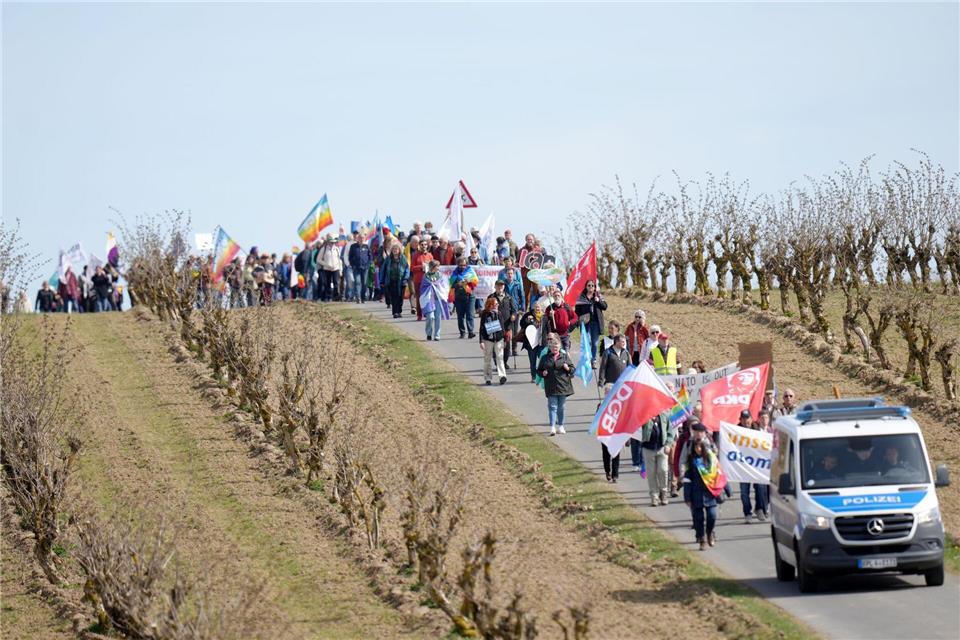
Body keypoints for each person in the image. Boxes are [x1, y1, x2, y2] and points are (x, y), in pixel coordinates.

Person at [683, 439, 724, 550]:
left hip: (710, 494)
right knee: (698, 519)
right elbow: (687, 480)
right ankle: (702, 539)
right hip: (696, 494)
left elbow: (719, 475)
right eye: (696, 447)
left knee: (712, 516)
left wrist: (726, 490)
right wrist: (687, 497)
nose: (698, 449)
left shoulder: (711, 460)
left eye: (700, 447)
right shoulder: (691, 461)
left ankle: (709, 532)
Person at [737, 409, 769, 523]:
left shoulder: (756, 429)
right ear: (740, 420)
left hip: (756, 465)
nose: (746, 421)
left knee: (760, 488)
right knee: (744, 492)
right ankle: (747, 513)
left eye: (748, 418)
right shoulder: (735, 431)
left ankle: (759, 508)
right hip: (743, 467)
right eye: (744, 418)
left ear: (751, 419)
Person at [537, 338, 574, 436]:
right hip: (551, 386)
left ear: (560, 347)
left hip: (563, 386)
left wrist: (568, 368)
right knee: (552, 406)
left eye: (556, 347)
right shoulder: (545, 358)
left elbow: (573, 369)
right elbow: (539, 370)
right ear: (550, 347)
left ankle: (561, 426)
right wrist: (543, 373)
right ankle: (552, 427)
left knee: (561, 407)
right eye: (553, 347)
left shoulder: (565, 357)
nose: (555, 348)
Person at [641, 408, 676, 506]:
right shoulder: (645, 415)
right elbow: (638, 427)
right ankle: (654, 496)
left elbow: (670, 432)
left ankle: (663, 492)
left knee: (663, 470)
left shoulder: (664, 416)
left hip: (662, 447)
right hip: (648, 448)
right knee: (651, 473)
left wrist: (668, 444)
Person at [574, 280, 607, 368]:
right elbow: (577, 311)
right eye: (589, 285)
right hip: (585, 323)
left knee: (595, 343)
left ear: (595, 287)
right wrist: (577, 321)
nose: (591, 287)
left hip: (595, 323)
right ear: (586, 286)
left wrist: (598, 301)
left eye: (592, 285)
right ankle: (587, 359)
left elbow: (605, 307)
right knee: (587, 341)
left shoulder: (598, 296)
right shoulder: (581, 297)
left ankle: (593, 360)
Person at [487, 280, 517, 369]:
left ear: (504, 287)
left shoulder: (509, 297)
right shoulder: (491, 297)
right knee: (495, 345)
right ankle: (498, 363)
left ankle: (504, 362)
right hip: (494, 325)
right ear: (495, 286)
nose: (500, 287)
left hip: (507, 325)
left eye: (502, 285)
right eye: (498, 285)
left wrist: (513, 316)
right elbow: (486, 310)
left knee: (507, 345)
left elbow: (514, 311)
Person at [479, 297, 507, 386]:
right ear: (490, 305)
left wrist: (504, 339)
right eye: (495, 304)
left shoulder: (499, 314)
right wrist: (481, 341)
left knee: (500, 357)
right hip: (488, 339)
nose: (497, 306)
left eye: (497, 304)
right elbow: (482, 328)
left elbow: (503, 327)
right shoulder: (485, 314)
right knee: (487, 358)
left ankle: (502, 376)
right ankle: (487, 377)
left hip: (498, 339)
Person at [519, 299, 548, 383]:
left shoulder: (544, 316)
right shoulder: (528, 315)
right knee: (532, 361)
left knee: (542, 360)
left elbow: (548, 327)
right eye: (535, 307)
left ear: (541, 308)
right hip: (531, 343)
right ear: (533, 308)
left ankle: (542, 375)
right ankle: (533, 376)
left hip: (542, 342)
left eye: (538, 307)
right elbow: (522, 324)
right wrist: (526, 321)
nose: (537, 309)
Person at [449, 257, 478, 338]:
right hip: (459, 297)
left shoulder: (470, 271)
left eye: (464, 265)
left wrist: (469, 281)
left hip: (470, 296)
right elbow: (450, 284)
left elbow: (476, 282)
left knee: (470, 315)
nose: (462, 267)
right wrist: (457, 284)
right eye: (461, 265)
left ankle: (471, 332)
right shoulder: (454, 273)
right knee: (460, 316)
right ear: (458, 265)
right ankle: (462, 332)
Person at [420, 260, 447, 340]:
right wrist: (430, 285)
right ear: (432, 267)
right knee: (430, 317)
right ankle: (429, 333)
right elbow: (423, 286)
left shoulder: (440, 275)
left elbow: (443, 285)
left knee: (437, 317)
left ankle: (437, 335)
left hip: (437, 298)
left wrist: (438, 286)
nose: (438, 268)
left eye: (438, 266)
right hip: (429, 299)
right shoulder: (426, 276)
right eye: (436, 266)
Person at [381, 243, 410, 318]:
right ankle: (395, 312)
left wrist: (405, 278)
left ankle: (399, 311)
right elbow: (383, 269)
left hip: (401, 281)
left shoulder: (403, 258)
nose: (395, 250)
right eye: (393, 249)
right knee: (394, 297)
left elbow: (407, 269)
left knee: (400, 297)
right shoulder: (388, 259)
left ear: (399, 250)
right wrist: (382, 281)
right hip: (391, 281)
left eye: (396, 249)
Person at [600, 383, 621, 483]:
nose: (608, 394)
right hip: (605, 432)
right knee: (606, 454)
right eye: (606, 392)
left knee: (616, 453)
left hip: (616, 433)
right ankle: (607, 471)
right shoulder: (601, 405)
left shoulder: (619, 404)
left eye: (610, 392)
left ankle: (615, 475)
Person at [318, 234, 343, 301]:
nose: (332, 243)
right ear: (328, 241)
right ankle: (328, 297)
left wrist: (340, 270)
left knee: (336, 283)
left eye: (333, 242)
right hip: (327, 269)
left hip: (335, 269)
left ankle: (336, 296)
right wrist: (325, 264)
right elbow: (318, 260)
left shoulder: (337, 249)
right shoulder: (324, 249)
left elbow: (339, 260)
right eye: (331, 242)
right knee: (327, 283)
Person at [348, 232, 372, 302]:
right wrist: (353, 265)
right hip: (356, 268)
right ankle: (358, 297)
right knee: (357, 282)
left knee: (364, 283)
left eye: (363, 238)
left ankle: (363, 297)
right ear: (357, 238)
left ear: (365, 239)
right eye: (360, 238)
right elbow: (350, 257)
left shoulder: (367, 246)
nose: (361, 239)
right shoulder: (353, 246)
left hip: (365, 268)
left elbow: (370, 257)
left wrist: (368, 265)